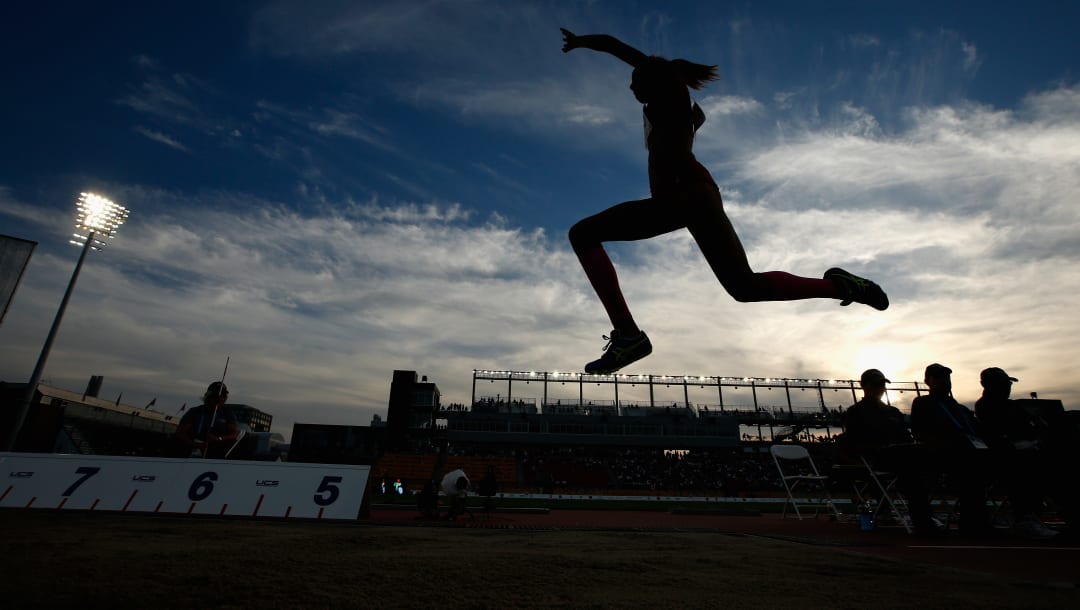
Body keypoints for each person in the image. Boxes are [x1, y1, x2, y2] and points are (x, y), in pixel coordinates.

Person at [560, 28, 888, 374]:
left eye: (634, 79)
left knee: (583, 234)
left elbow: (618, 47)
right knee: (745, 287)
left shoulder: (670, 91)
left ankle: (628, 335)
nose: (629, 87)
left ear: (652, 77)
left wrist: (583, 42)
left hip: (684, 195)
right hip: (695, 199)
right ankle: (843, 285)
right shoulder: (664, 106)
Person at [840, 369, 940, 536]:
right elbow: (853, 441)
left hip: (901, 456)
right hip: (879, 458)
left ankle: (924, 518)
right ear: (863, 386)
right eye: (876, 384)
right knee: (911, 472)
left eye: (882, 385)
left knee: (922, 463)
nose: (880, 388)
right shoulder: (855, 412)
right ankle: (923, 521)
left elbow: (906, 437)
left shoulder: (893, 412)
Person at [974, 367, 1060, 539]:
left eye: (1008, 383)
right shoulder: (986, 406)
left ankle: (1034, 516)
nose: (1008, 387)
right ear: (989, 385)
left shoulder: (1013, 405)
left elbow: (1034, 426)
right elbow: (995, 435)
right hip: (1006, 457)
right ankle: (1025, 519)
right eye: (1004, 384)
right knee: (1027, 467)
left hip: (1027, 451)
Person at [910, 364, 991, 535]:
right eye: (938, 378)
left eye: (947, 378)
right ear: (928, 381)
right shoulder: (923, 403)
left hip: (967, 454)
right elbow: (919, 432)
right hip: (940, 456)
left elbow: (976, 430)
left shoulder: (958, 408)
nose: (944, 382)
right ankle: (972, 522)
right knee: (971, 469)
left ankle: (975, 521)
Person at [173, 381, 241, 459]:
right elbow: (180, 433)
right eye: (216, 395)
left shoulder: (227, 413)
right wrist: (195, 444)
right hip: (190, 451)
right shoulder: (195, 411)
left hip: (218, 453)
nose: (219, 398)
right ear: (208, 396)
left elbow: (235, 433)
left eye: (223, 395)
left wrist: (218, 439)